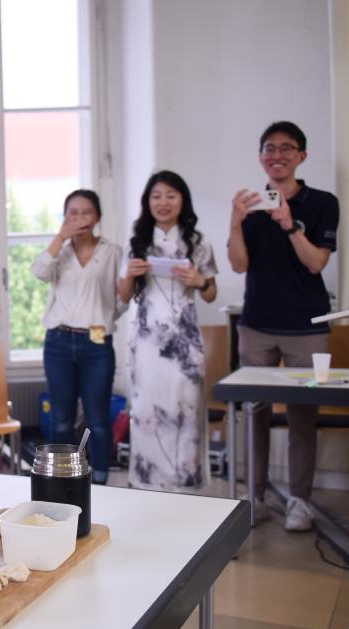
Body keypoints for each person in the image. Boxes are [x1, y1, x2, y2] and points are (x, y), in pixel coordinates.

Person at [227, 121, 338, 531]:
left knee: (301, 417)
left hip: (307, 327)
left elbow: (316, 263)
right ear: (261, 157)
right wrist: (235, 221)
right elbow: (239, 264)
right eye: (270, 149)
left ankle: (300, 501)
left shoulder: (322, 203)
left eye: (287, 148)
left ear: (301, 156)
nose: (278, 156)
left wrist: (289, 223)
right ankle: (254, 497)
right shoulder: (252, 206)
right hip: (256, 325)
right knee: (253, 413)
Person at [118, 170, 218, 491]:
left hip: (184, 341)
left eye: (171, 196)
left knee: (185, 407)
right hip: (147, 341)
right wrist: (130, 274)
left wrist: (198, 281)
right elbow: (123, 296)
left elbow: (211, 293)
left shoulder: (198, 242)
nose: (163, 202)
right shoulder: (136, 242)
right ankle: (147, 483)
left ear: (182, 201)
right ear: (147, 202)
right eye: (157, 196)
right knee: (146, 408)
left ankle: (185, 484)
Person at [32, 189, 125, 484]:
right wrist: (61, 237)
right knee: (61, 418)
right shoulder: (60, 251)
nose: (80, 219)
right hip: (58, 342)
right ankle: (61, 482)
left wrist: (105, 317)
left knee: (98, 418)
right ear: (65, 217)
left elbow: (122, 297)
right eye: (73, 213)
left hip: (97, 341)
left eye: (86, 213)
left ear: (97, 217)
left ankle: (100, 483)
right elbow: (39, 272)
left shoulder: (112, 251)